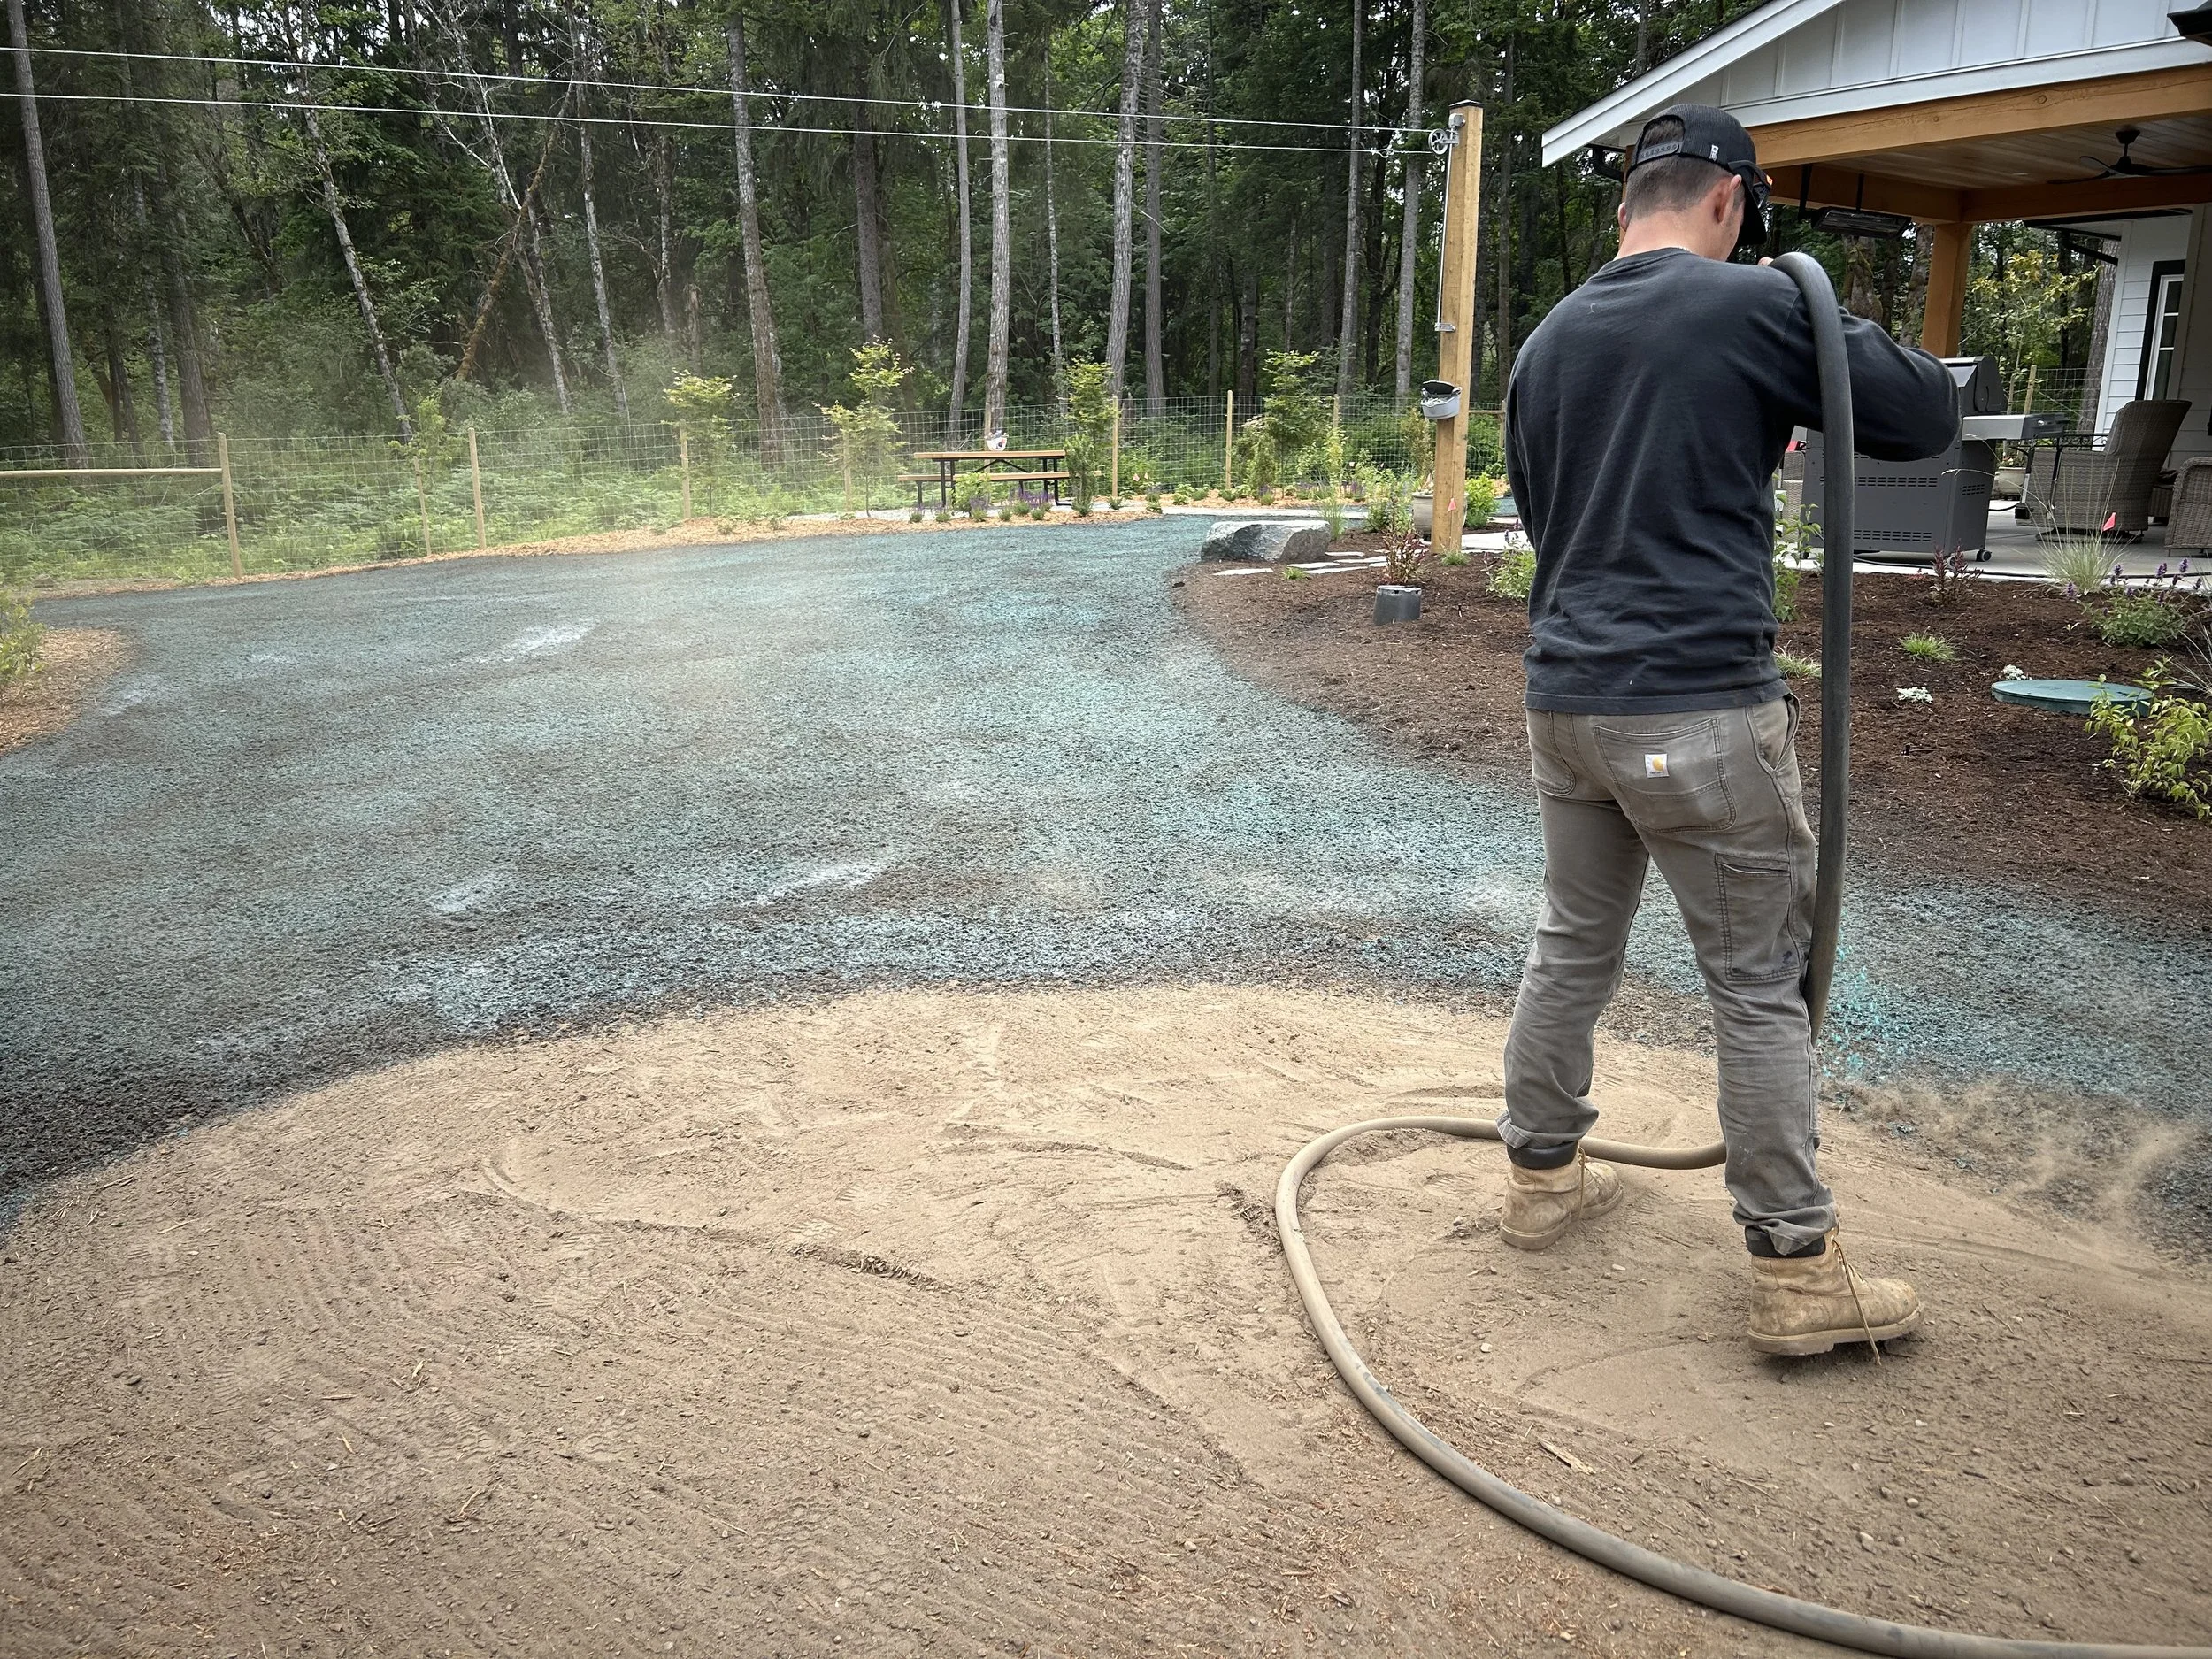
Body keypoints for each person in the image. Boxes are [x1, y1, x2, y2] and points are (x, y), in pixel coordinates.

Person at [1495, 104, 1958, 1356]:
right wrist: (1806, 305)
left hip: (1566, 702)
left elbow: (1541, 509)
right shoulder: (1753, 305)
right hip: (1696, 706)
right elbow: (1926, 415)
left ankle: (1539, 1184)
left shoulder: (1544, 342)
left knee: (1570, 944)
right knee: (1759, 985)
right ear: (1731, 202)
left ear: (1628, 204)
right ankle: (1798, 1272)